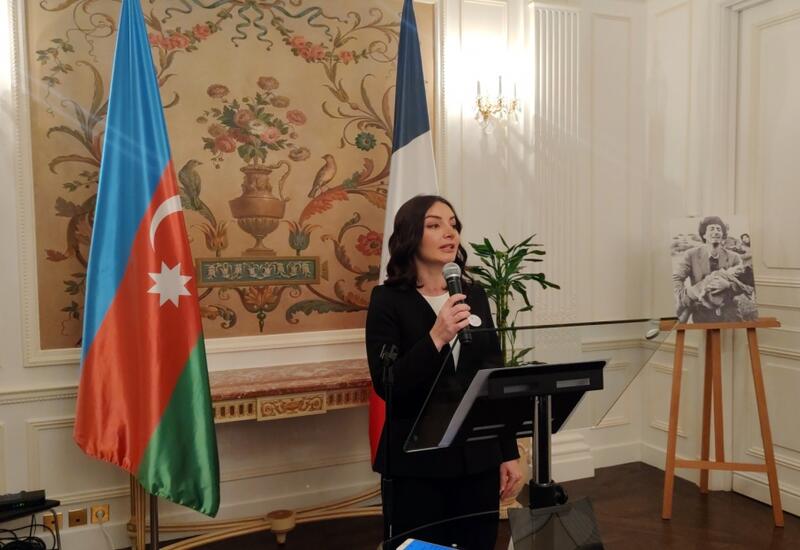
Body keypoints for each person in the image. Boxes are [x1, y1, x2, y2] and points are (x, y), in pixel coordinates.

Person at [366, 195, 522, 550]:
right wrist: (436, 336)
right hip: (417, 464)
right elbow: (388, 384)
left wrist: (507, 452)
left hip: (477, 460)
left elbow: (492, 378)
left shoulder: (474, 295)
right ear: (410, 235)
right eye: (434, 225)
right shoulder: (387, 300)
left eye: (453, 224)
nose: (449, 232)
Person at [672, 216, 754, 323]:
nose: (716, 232)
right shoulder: (691, 254)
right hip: (701, 312)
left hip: (729, 311)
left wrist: (728, 285)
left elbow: (745, 285)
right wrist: (685, 297)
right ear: (704, 235)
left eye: (718, 229)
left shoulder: (734, 257)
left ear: (722, 235)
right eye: (712, 229)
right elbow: (676, 279)